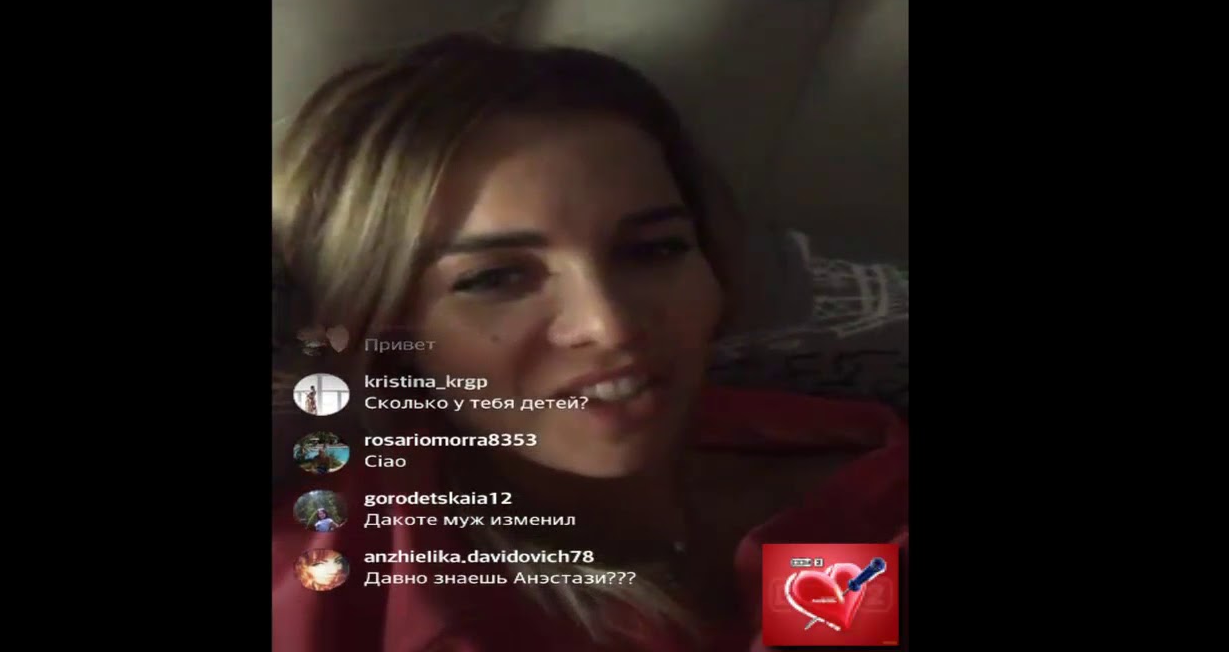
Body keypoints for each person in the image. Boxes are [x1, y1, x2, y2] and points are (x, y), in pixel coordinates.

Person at [271, 34, 908, 652]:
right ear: (377, 324)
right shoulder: (339, 594)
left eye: (653, 250)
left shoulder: (862, 478)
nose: (611, 325)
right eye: (495, 278)